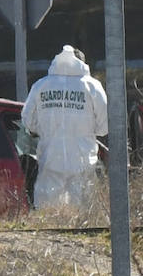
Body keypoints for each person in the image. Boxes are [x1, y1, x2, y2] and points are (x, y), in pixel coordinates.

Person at [21, 45, 108, 209]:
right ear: (82, 64)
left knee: (47, 211)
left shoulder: (41, 86)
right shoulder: (92, 86)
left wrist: (44, 129)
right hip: (83, 160)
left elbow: (28, 121)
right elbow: (105, 126)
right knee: (83, 213)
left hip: (50, 157)